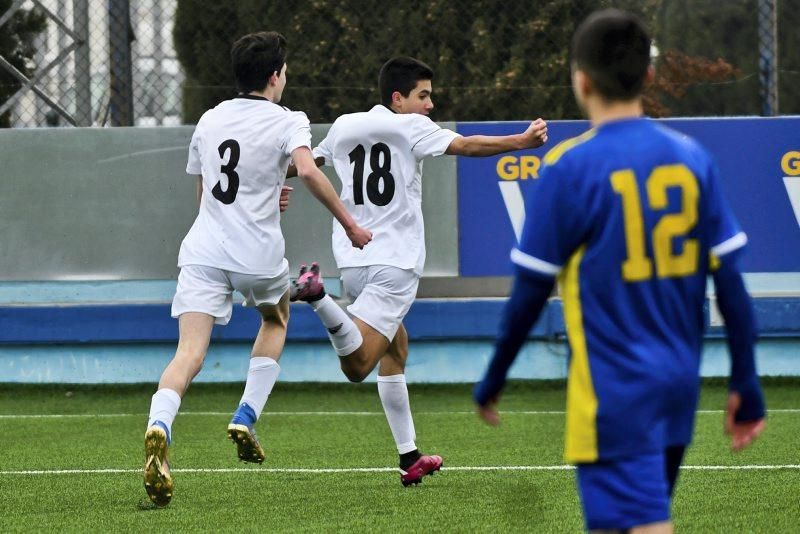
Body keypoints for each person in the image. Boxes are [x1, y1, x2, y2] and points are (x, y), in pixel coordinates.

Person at [473, 9, 766, 532]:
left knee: (645, 522)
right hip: (678, 386)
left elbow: (530, 293)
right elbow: (732, 287)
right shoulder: (691, 158)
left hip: (614, 394)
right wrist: (746, 379)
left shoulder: (569, 167)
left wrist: (495, 376)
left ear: (580, 80)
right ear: (648, 77)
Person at [288, 56, 548, 486]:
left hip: (353, 259)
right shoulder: (410, 126)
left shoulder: (343, 125)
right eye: (423, 95)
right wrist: (521, 141)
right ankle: (318, 298)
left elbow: (303, 167)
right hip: (395, 263)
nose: (430, 104)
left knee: (395, 348)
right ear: (398, 98)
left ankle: (409, 457)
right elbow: (466, 145)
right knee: (357, 366)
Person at [143, 31, 372, 507]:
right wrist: (350, 224)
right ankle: (246, 415)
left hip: (203, 249)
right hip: (257, 255)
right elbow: (308, 170)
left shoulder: (209, 120)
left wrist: (263, 195)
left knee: (189, 354)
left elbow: (210, 192)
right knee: (276, 317)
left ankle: (158, 426)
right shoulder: (289, 121)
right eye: (284, 70)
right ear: (275, 76)